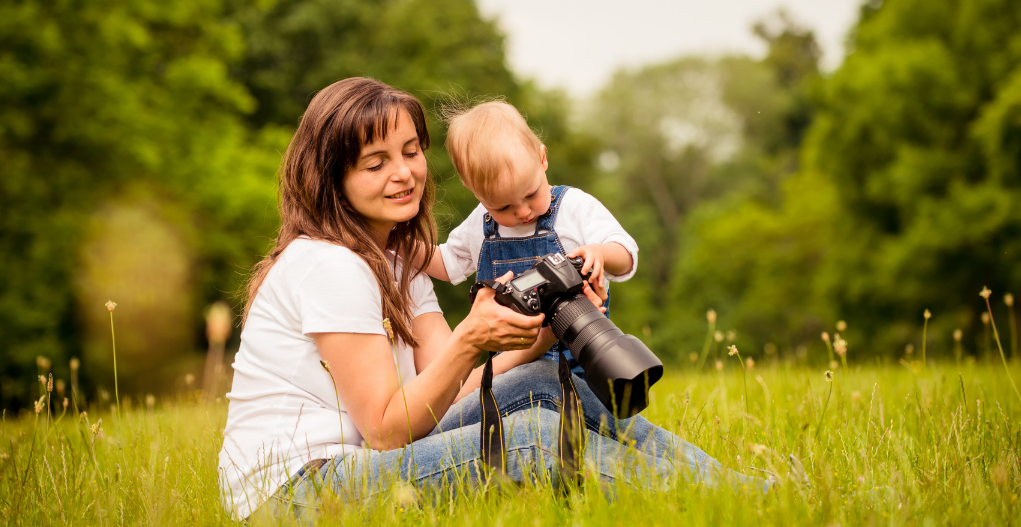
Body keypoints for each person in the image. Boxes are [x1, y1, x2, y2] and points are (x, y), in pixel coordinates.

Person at [219, 78, 767, 522]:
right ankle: (731, 509)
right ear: (332, 178)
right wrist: (471, 337)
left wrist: (544, 333)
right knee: (531, 442)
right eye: (375, 162)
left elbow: (449, 398)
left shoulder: (398, 260)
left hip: (361, 463)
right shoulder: (329, 263)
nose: (404, 173)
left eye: (411, 151)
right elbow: (387, 432)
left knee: (551, 383)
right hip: (296, 493)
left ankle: (741, 490)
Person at [425, 101, 637, 392]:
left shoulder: (572, 207)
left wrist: (600, 253)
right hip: (510, 371)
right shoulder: (481, 224)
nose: (523, 212)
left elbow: (626, 254)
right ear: (472, 189)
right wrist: (403, 249)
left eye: (531, 194)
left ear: (542, 158)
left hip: (583, 362)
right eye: (503, 206)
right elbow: (447, 262)